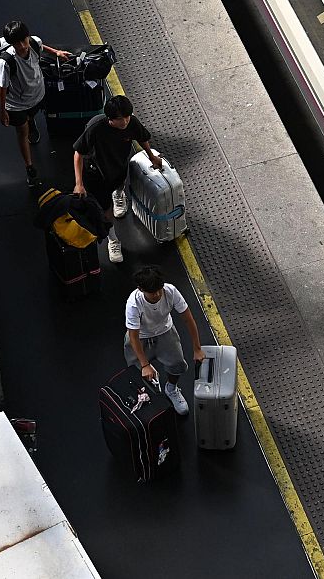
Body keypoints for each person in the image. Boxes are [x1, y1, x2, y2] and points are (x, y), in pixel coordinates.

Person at [72, 95, 163, 263]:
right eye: (121, 119)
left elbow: (142, 137)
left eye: (128, 117)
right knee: (107, 212)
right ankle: (113, 240)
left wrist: (152, 157)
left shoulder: (131, 123)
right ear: (110, 119)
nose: (126, 122)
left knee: (120, 182)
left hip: (118, 166)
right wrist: (79, 184)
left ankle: (118, 194)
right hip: (97, 175)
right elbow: (78, 153)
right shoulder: (95, 128)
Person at [0, 20, 72, 182]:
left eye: (24, 40)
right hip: (17, 105)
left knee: (31, 117)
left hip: (37, 95)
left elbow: (42, 47)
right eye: (17, 43)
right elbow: (2, 87)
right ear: (11, 44)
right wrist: (2, 112)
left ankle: (30, 121)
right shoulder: (6, 62)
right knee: (22, 133)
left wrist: (56, 52)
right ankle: (29, 166)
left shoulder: (34, 43)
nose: (23, 45)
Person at [124, 266, 205, 416]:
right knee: (137, 373)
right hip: (140, 337)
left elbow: (188, 320)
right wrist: (145, 364)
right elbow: (133, 336)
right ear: (141, 289)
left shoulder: (171, 291)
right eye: (152, 292)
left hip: (165, 332)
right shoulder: (133, 304)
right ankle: (147, 395)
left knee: (178, 364)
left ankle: (171, 388)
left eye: (159, 290)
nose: (157, 295)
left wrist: (197, 348)